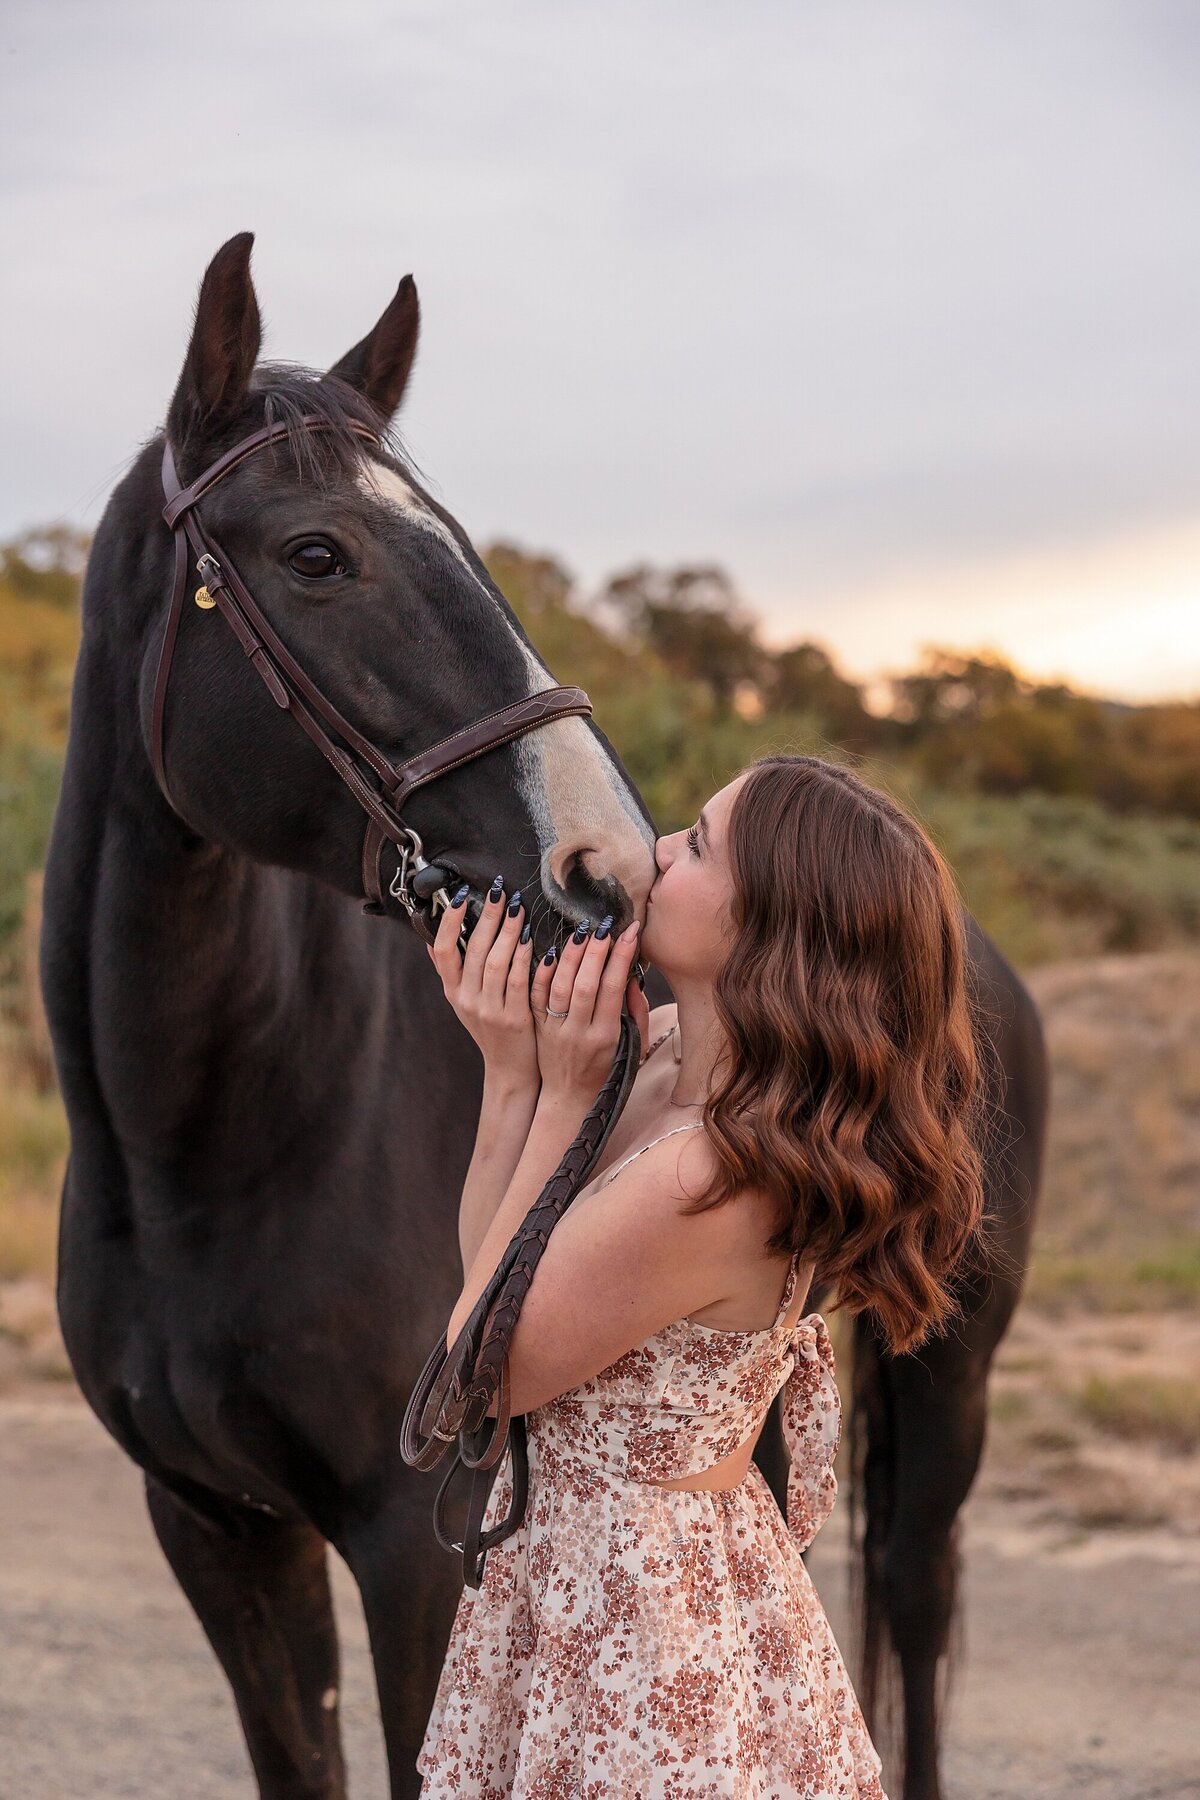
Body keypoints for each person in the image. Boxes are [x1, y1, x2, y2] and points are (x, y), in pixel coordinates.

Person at [416, 754, 987, 1799]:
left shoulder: (709, 1178)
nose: (656, 849)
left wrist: (553, 1098)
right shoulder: (672, 1053)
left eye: (697, 844)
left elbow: (479, 1377)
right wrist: (514, 1078)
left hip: (632, 1614)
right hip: (585, 1571)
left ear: (768, 931)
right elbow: (495, 1275)